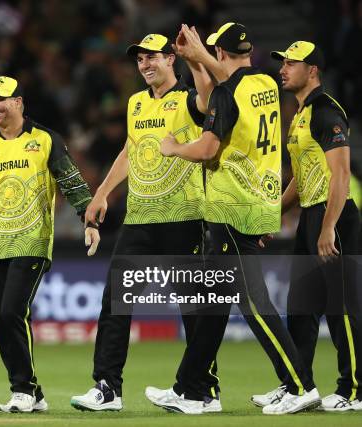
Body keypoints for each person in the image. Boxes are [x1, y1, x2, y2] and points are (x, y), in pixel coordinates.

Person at [150, 23, 320, 414]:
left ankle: (299, 385)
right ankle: (192, 389)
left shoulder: (229, 94)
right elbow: (223, 93)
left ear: (221, 54)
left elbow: (209, 149)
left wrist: (175, 148)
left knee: (254, 305)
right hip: (258, 202)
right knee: (213, 304)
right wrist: (198, 63)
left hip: (229, 208)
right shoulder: (265, 84)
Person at [69, 33, 221, 412]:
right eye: (140, 59)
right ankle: (108, 388)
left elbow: (208, 99)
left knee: (194, 306)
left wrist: (196, 58)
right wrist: (102, 192)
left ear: (171, 59)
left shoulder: (188, 97)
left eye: (153, 57)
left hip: (184, 215)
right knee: (115, 300)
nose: (146, 64)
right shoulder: (136, 103)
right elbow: (130, 149)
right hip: (140, 217)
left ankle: (204, 389)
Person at [0, 76, 99, 413]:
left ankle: (24, 391)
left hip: (32, 241)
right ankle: (33, 393)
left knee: (12, 311)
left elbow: (72, 181)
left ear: (18, 102)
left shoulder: (45, 140)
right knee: (3, 320)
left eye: (0, 99)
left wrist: (88, 221)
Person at [250, 41, 361, 412]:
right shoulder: (301, 115)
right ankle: (299, 386)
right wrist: (273, 216)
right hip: (312, 218)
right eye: (282, 63)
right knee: (300, 305)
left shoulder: (327, 111)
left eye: (291, 64)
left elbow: (341, 174)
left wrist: (328, 228)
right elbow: (300, 178)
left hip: (335, 217)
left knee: (341, 307)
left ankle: (354, 390)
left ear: (312, 70)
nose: (283, 69)